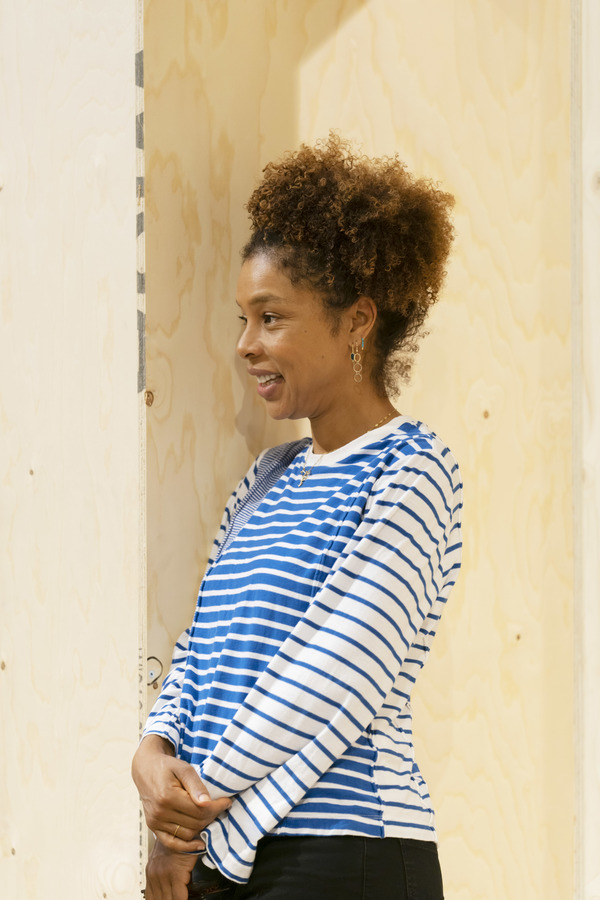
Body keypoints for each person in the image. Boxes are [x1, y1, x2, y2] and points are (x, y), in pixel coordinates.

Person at [132, 133, 462, 900]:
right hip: (228, 858)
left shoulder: (411, 468)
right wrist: (150, 753)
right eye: (243, 319)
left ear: (357, 321)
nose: (246, 345)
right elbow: (203, 647)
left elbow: (336, 671)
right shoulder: (266, 477)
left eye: (271, 317)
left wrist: (192, 819)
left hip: (347, 854)